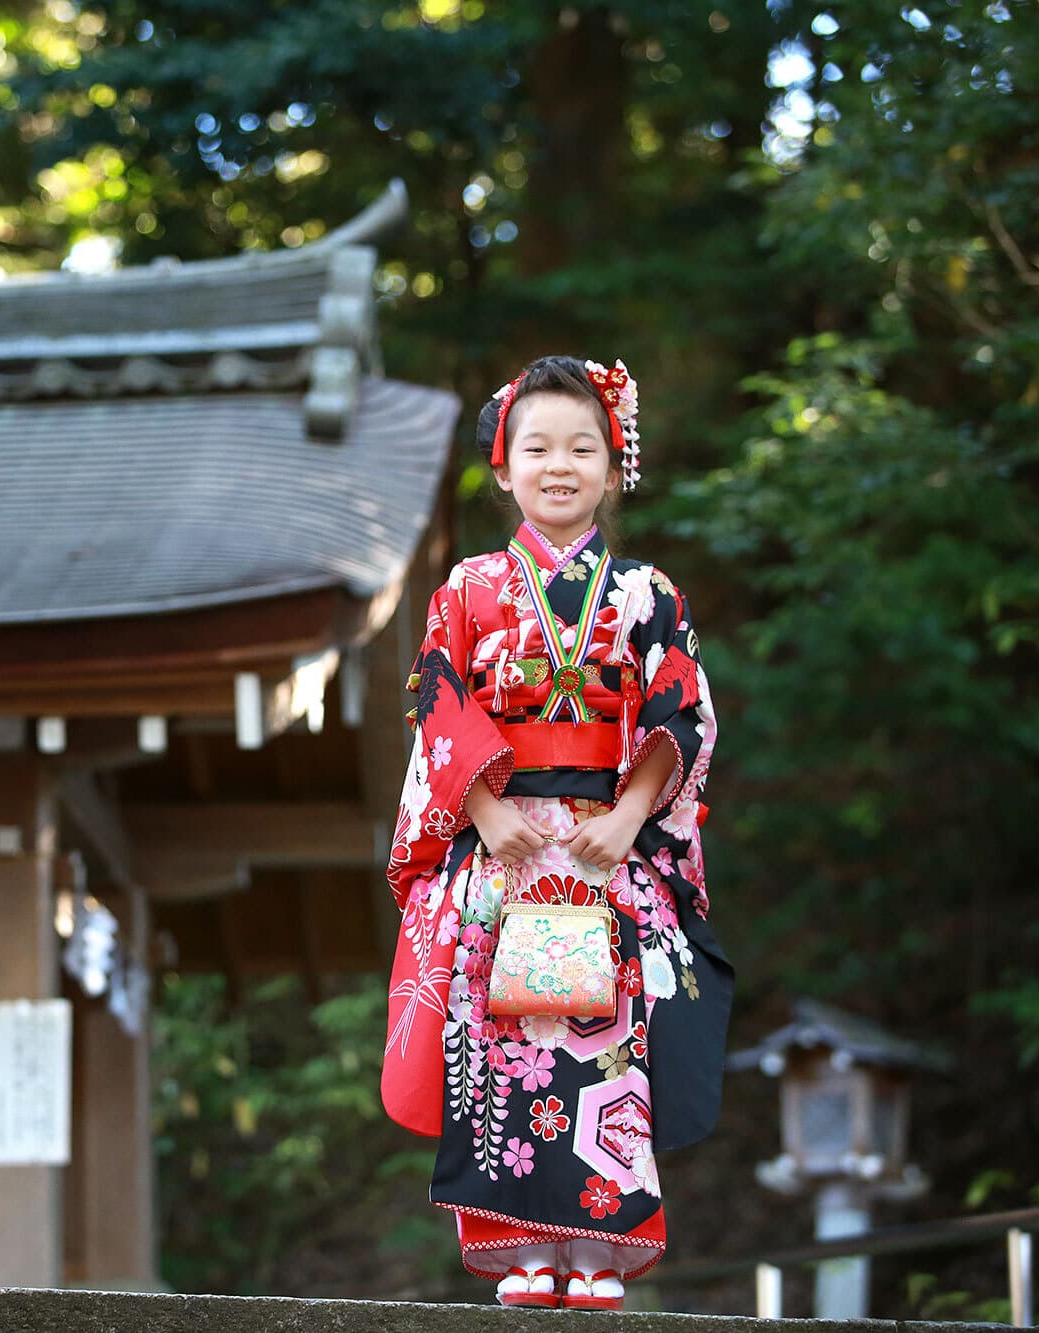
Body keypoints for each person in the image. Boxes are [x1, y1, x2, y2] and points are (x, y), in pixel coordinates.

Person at [380, 355, 732, 1310]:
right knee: (502, 1042)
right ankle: (522, 1251)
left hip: (600, 847)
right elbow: (438, 705)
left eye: (583, 446)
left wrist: (627, 817)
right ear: (504, 466)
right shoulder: (469, 586)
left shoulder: (646, 593)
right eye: (536, 446)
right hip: (506, 846)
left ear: (614, 467)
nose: (560, 464)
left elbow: (679, 712)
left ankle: (597, 1253)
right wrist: (487, 815)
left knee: (604, 1039)